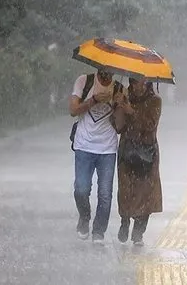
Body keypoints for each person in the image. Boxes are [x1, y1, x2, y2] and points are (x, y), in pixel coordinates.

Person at [68, 68, 124, 244]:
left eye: (112, 71)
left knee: (105, 193)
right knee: (81, 189)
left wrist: (118, 105)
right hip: (84, 145)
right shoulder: (85, 81)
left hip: (107, 149)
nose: (108, 74)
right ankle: (84, 217)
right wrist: (93, 100)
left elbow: (120, 126)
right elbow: (73, 110)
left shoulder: (119, 89)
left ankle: (99, 231)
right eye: (105, 70)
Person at [113, 78, 163, 246]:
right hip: (127, 150)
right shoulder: (125, 96)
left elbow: (150, 125)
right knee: (126, 189)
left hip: (147, 153)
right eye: (134, 81)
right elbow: (118, 127)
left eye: (141, 82)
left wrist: (131, 111)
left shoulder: (155, 101)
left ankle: (139, 231)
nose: (137, 85)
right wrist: (119, 107)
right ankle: (125, 221)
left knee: (147, 194)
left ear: (148, 83)